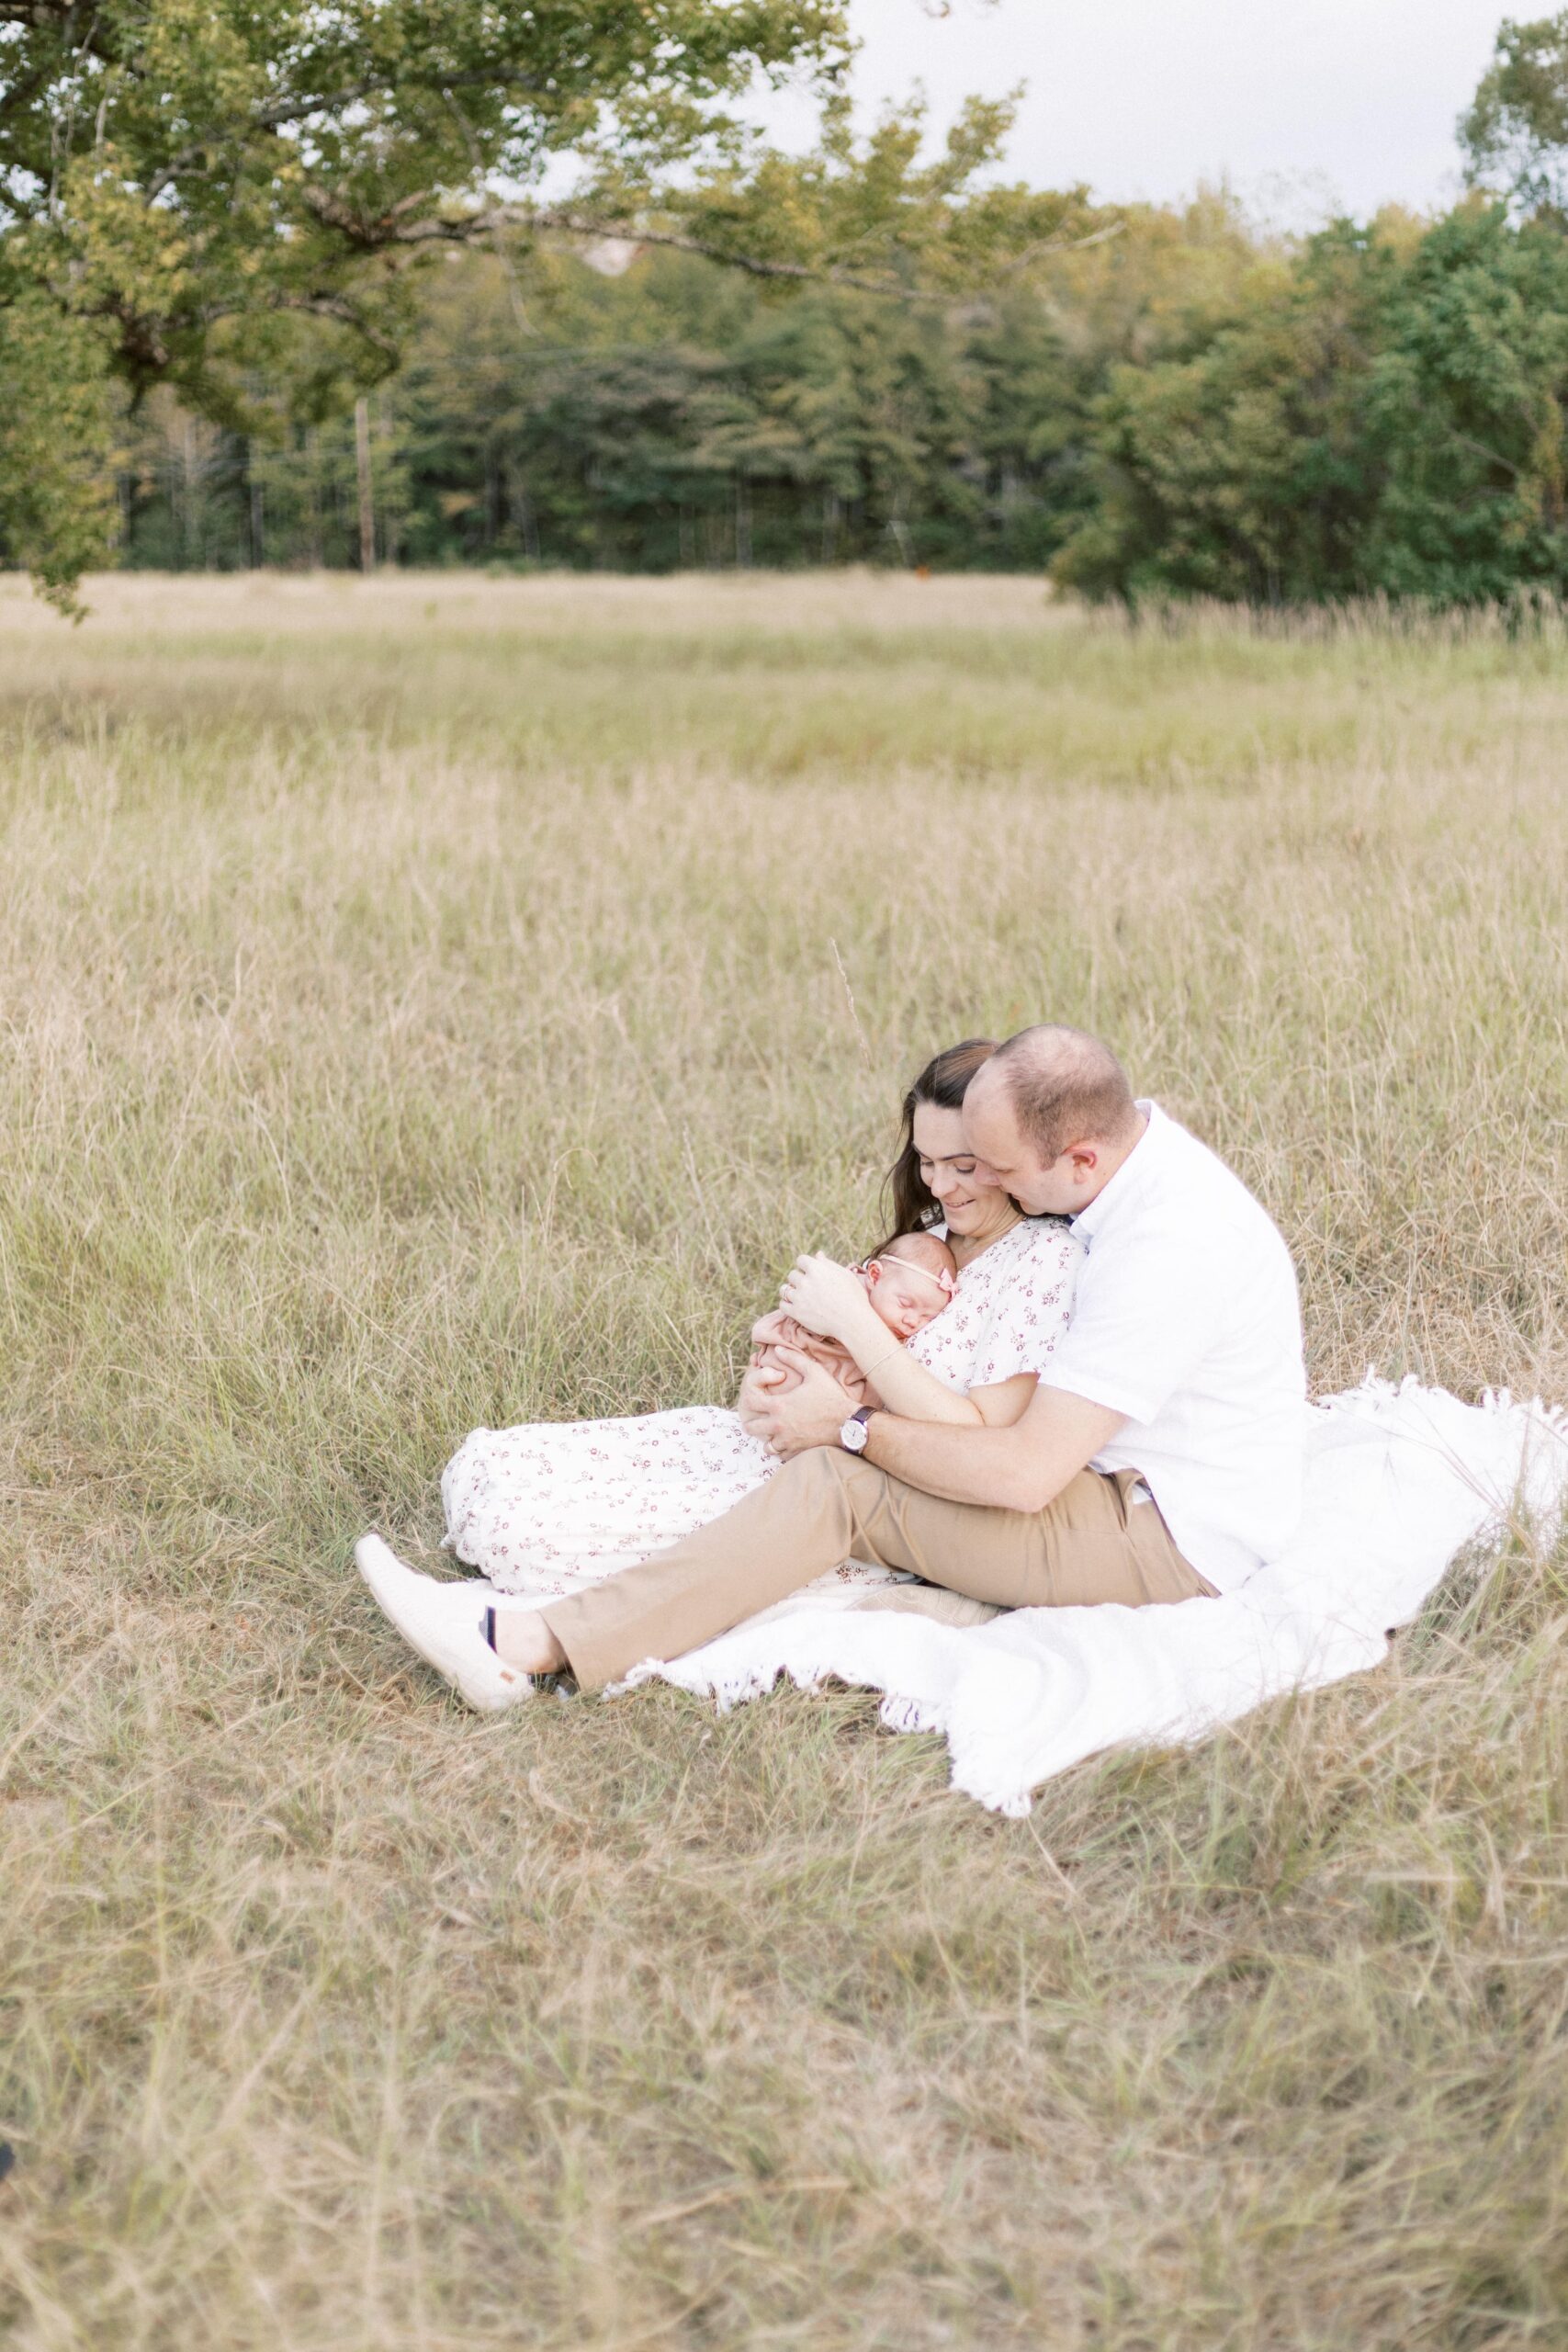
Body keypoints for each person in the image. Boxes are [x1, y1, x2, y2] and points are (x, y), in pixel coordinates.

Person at [359, 1038, 1081, 1699]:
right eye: (925, 1162)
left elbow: (983, 1436)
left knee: (517, 1531)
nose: (942, 1186)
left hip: (867, 1495)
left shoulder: (1039, 1261)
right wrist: (779, 1372)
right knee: (493, 1466)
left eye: (963, 1166)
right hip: (792, 1445)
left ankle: (516, 1640)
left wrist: (853, 1332)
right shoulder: (933, 1238)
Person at [750, 1230, 957, 1408]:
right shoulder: (847, 1289)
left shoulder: (895, 1316)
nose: (912, 1321)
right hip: (795, 1357)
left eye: (927, 1317)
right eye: (904, 1303)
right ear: (875, 1276)